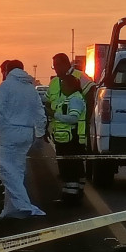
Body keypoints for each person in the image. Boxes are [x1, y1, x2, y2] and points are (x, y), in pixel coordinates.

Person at [0, 60, 47, 219]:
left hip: (9, 132)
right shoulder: (30, 88)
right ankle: (10, 210)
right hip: (27, 132)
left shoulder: (6, 87)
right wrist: (40, 133)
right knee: (17, 171)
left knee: (6, 170)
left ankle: (24, 206)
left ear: (7, 70)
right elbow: (40, 112)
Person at [52, 74, 87, 202]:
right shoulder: (69, 98)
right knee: (71, 167)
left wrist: (56, 115)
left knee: (70, 168)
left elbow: (73, 118)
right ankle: (71, 195)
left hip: (71, 139)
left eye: (63, 85)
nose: (61, 87)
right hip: (67, 139)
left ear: (71, 86)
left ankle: (70, 198)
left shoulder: (75, 99)